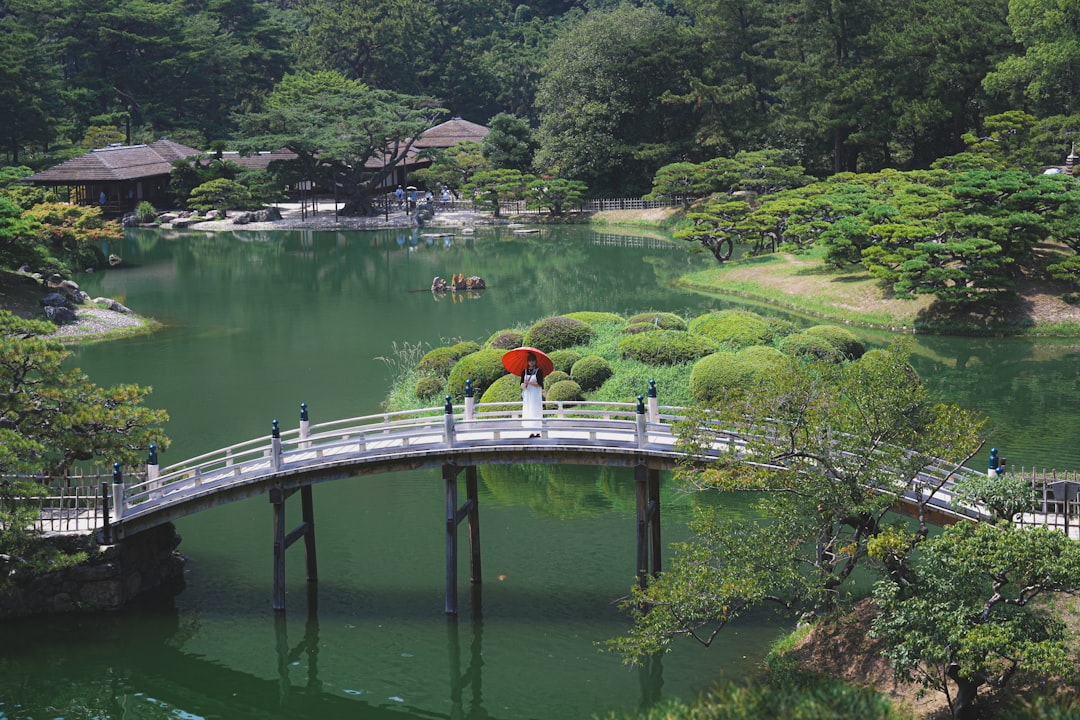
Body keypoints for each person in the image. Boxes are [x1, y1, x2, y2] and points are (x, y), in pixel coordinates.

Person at [521, 353, 544, 438]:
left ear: (535, 361)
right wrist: (524, 385)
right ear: (527, 362)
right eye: (530, 360)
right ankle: (529, 431)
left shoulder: (538, 371)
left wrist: (529, 382)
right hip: (527, 395)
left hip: (535, 395)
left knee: (536, 411)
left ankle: (537, 431)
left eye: (533, 360)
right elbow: (521, 383)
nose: (531, 362)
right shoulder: (524, 371)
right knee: (528, 410)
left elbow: (540, 384)